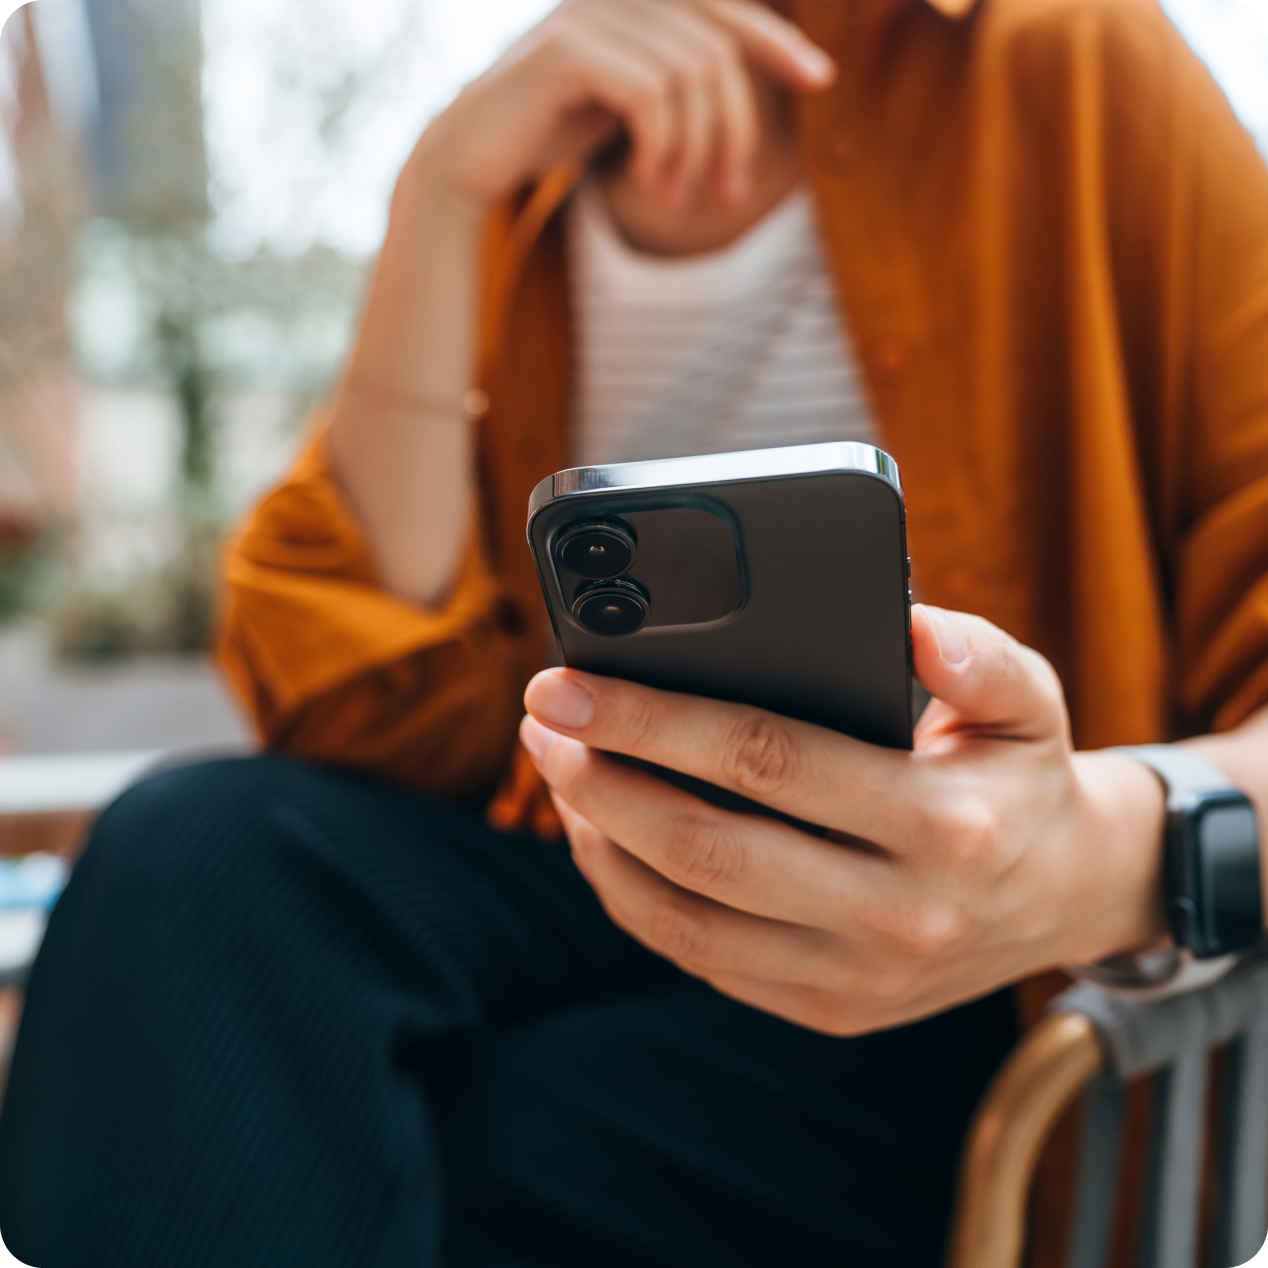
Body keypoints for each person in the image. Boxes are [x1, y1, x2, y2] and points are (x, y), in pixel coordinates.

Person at [2, 0, 1267, 1264]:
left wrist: (1090, 852)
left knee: (340, 1125)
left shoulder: (1069, 60)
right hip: (601, 888)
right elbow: (352, 713)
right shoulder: (531, 169)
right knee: (191, 850)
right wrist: (441, 185)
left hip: (972, 986)